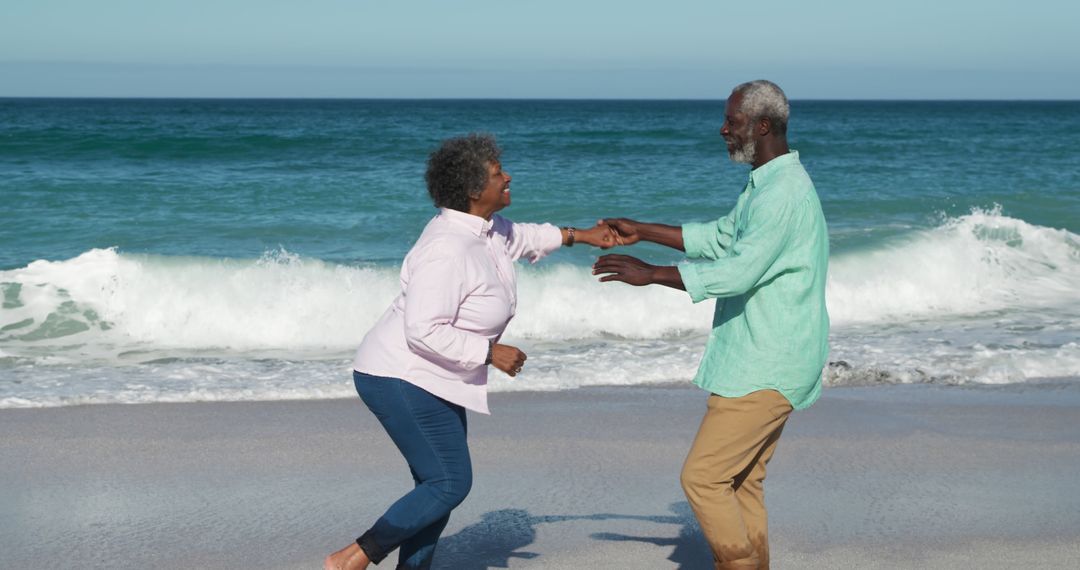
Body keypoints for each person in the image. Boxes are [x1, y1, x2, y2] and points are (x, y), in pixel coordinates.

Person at [325, 133, 615, 570]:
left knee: (435, 489)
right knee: (449, 483)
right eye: (499, 174)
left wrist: (583, 236)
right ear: (473, 190)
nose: (509, 176)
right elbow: (422, 329)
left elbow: (525, 237)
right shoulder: (447, 248)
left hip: (435, 375)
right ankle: (353, 558)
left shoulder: (487, 230)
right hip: (400, 375)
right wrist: (489, 352)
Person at [592, 80, 829, 570]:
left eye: (732, 121)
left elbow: (737, 271)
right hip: (768, 359)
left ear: (763, 126)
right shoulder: (766, 184)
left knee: (702, 479)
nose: (723, 129)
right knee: (742, 483)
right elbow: (722, 238)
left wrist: (649, 274)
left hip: (767, 364)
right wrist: (645, 229)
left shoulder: (782, 193)